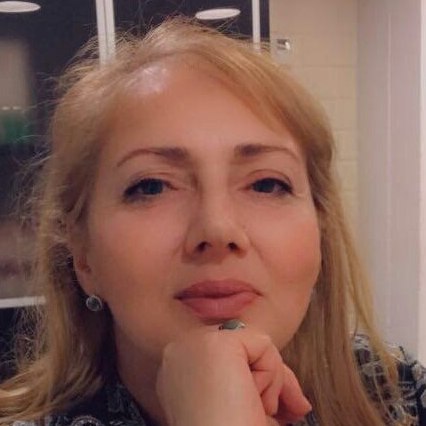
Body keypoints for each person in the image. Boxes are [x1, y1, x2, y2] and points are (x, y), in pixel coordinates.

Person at [0, 17, 425, 426]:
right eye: (152, 186)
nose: (218, 230)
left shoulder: (400, 396)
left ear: (320, 229)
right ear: (83, 255)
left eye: (267, 184)